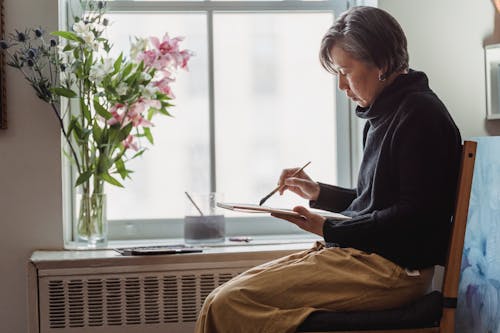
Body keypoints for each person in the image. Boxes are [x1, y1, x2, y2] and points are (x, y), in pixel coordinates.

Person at [195, 6, 462, 333]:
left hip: (392, 271)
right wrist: (318, 193)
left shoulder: (420, 115)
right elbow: (374, 204)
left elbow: (415, 215)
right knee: (218, 301)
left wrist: (329, 229)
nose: (341, 86)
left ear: (382, 62)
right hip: (368, 258)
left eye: (345, 71)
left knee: (229, 304)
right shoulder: (384, 113)